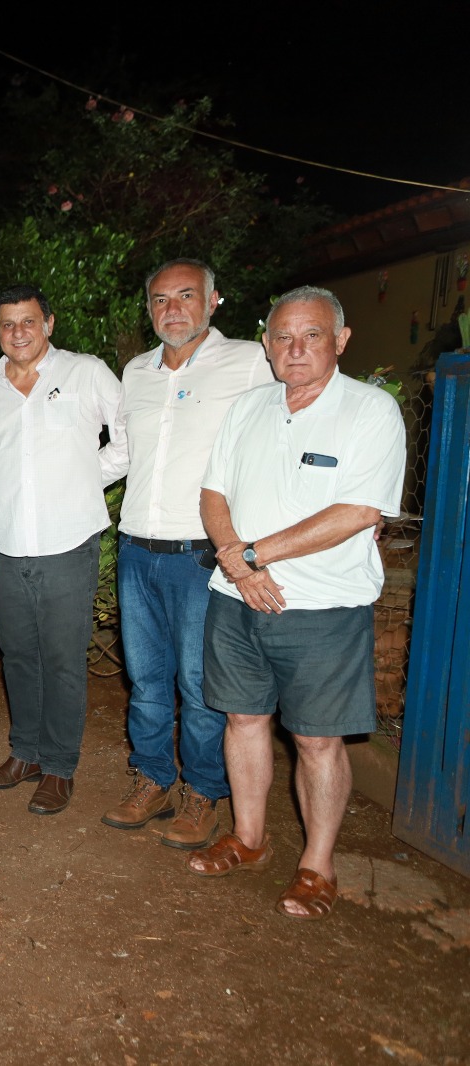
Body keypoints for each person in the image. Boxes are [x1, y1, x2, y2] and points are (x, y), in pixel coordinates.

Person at [186, 286, 404, 921]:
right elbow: (213, 492)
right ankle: (248, 838)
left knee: (315, 740)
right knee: (243, 720)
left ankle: (318, 866)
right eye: (283, 336)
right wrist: (235, 560)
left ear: (341, 340)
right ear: (266, 345)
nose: (296, 348)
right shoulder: (249, 406)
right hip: (234, 597)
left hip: (322, 608)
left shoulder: (369, 411)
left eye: (312, 335)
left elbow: (357, 511)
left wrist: (255, 556)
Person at [98, 261, 274, 847]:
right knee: (146, 680)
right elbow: (120, 453)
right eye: (159, 299)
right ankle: (152, 779)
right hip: (136, 548)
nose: (172, 309)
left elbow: (293, 426)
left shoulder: (252, 360)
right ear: (147, 308)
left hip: (205, 555)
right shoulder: (135, 371)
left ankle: (203, 791)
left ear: (214, 300)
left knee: (201, 685)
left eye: (186, 296)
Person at [0, 284, 123, 815]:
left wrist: (83, 480)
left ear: (48, 323)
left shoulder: (86, 372)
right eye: (7, 324)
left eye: (28, 321)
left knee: (64, 659)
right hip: (5, 545)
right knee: (19, 655)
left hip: (68, 541)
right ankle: (25, 752)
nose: (18, 333)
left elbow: (129, 438)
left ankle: (58, 766)